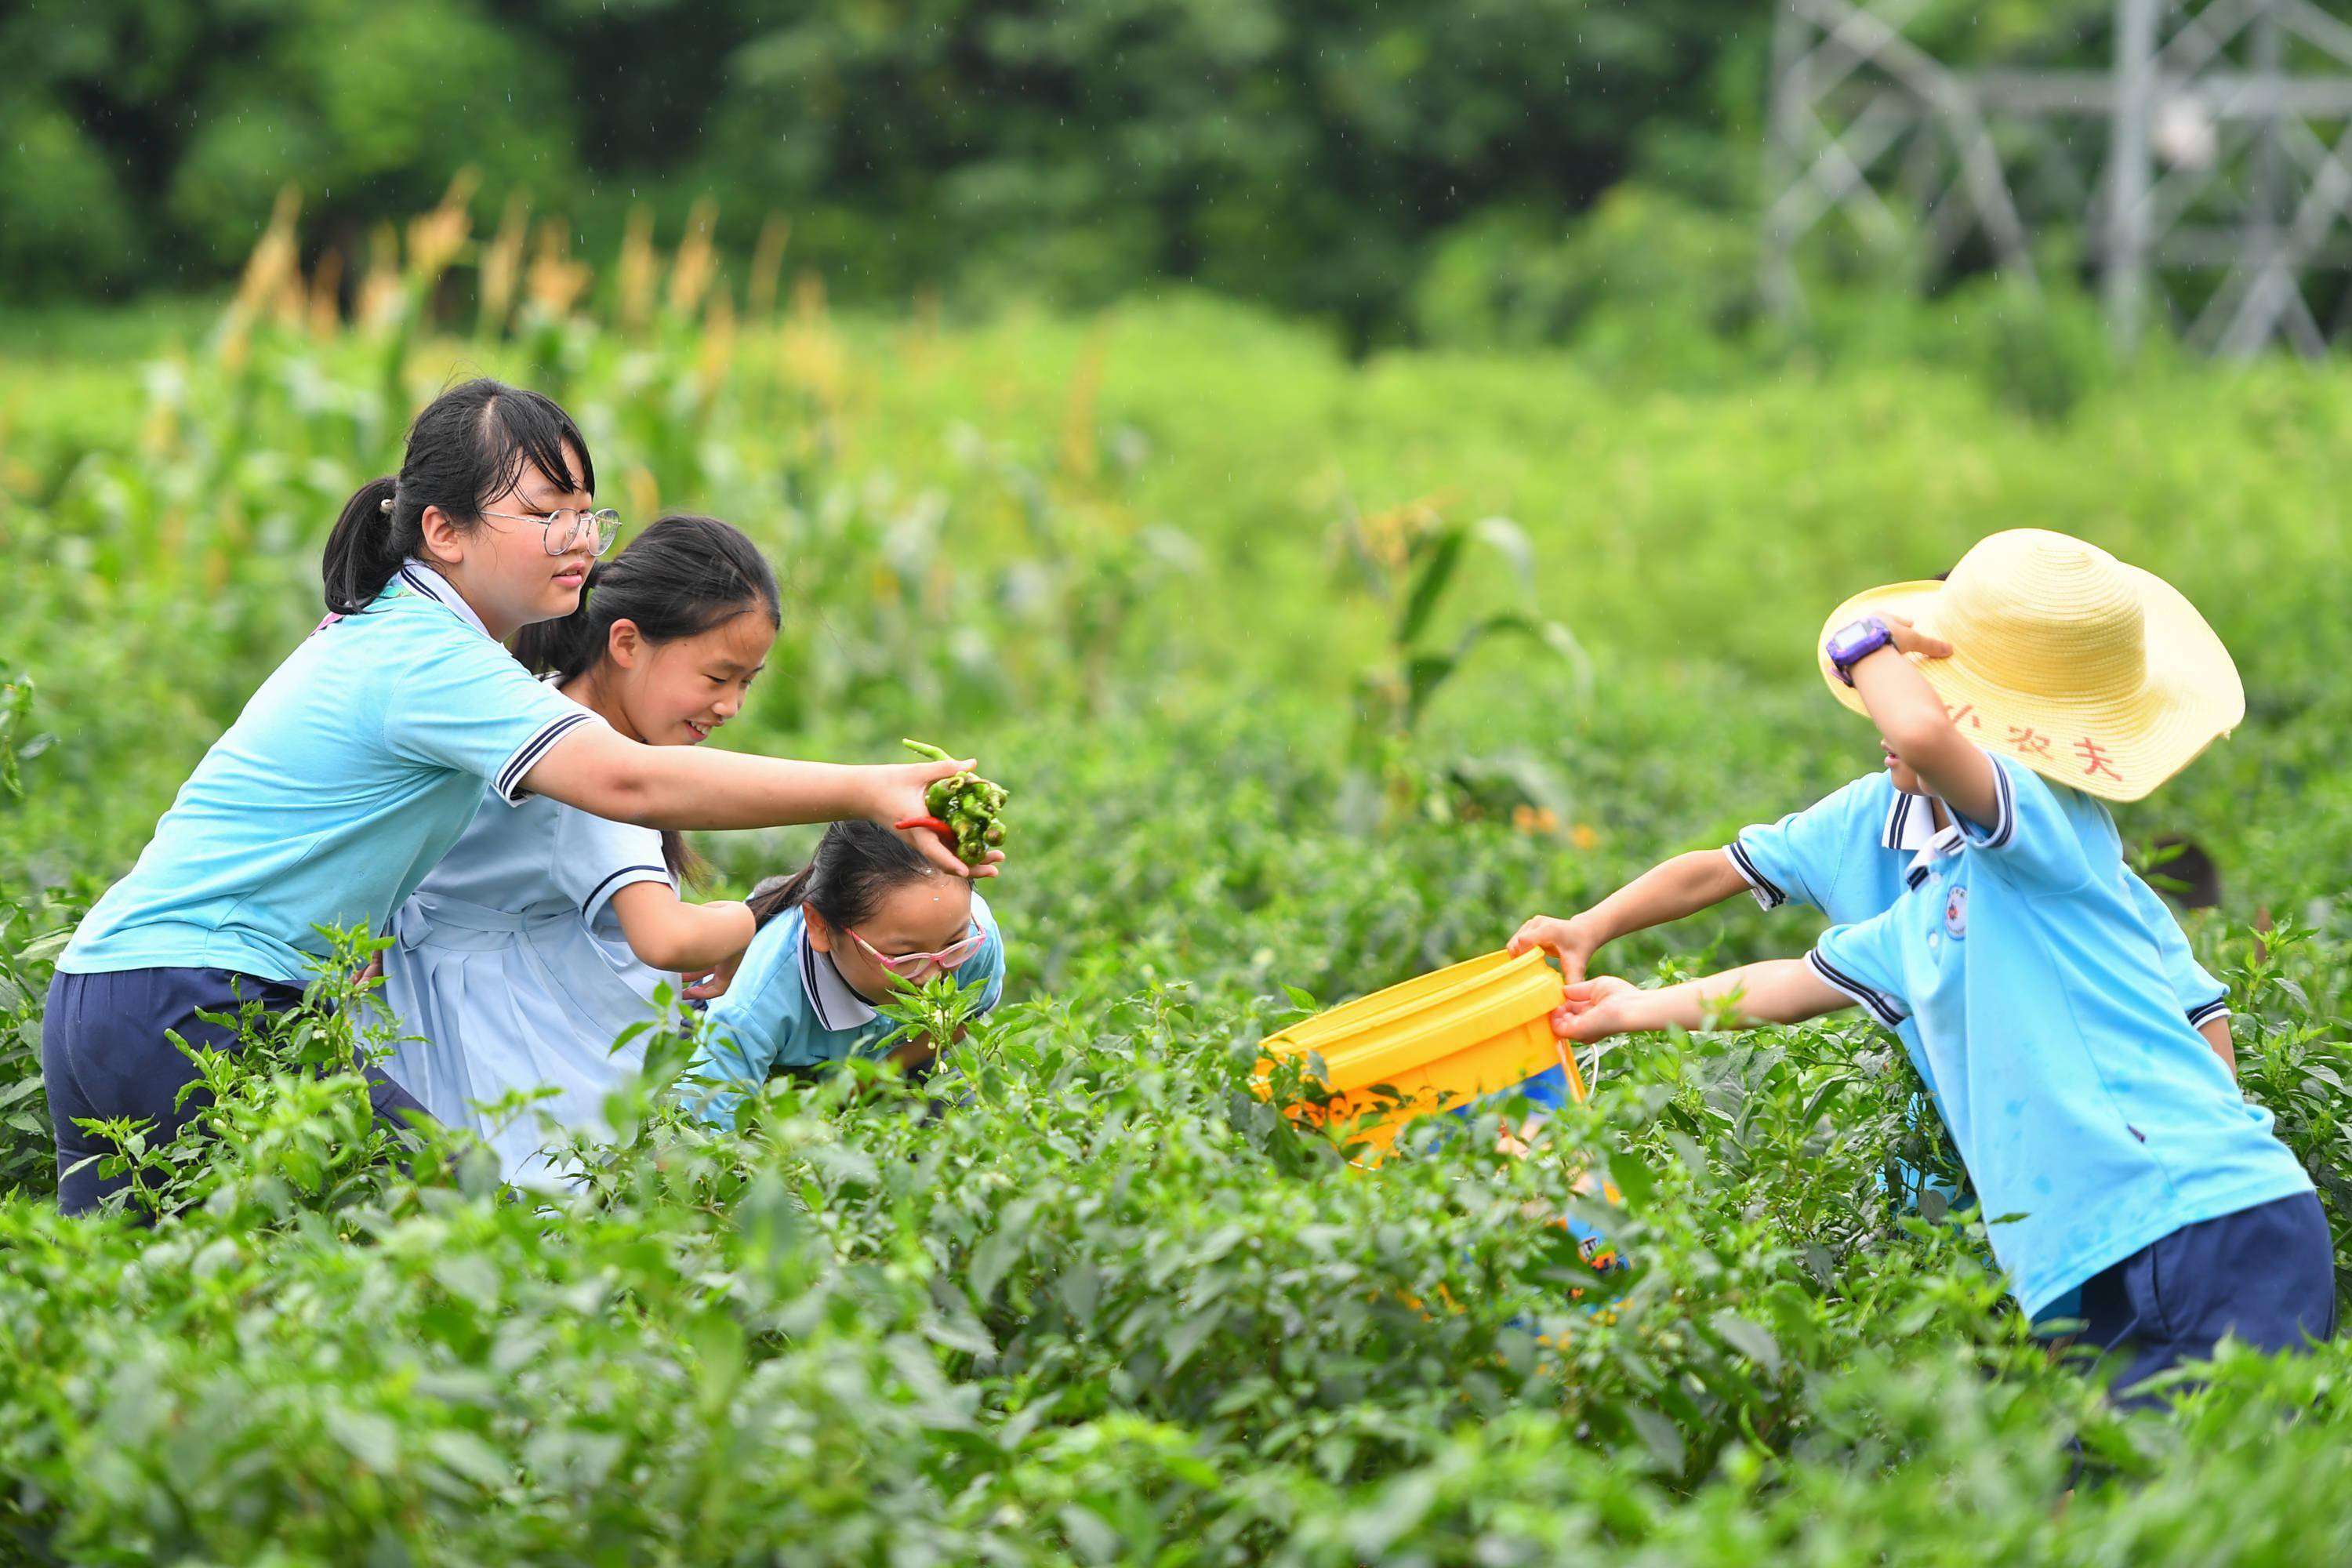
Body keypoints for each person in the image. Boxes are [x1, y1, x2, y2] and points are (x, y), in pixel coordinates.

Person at [43, 379, 992, 1215]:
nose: (577, 540)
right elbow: (627, 775)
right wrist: (872, 786)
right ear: (442, 531)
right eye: (544, 513)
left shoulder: (399, 634)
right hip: (198, 1000)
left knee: (132, 1308)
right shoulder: (426, 655)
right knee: (456, 1236)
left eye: (586, 514)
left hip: (112, 990)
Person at [1555, 530, 2331, 1398]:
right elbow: (1781, 987)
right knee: (2116, 1518)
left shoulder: (2050, 824)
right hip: (2106, 1251)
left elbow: (1920, 729)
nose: (1898, 715)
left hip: (2195, 1223)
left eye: (1938, 689)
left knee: (2188, 1506)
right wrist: (1624, 1008)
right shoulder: (1934, 900)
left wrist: (1868, 643)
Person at [376, 514, 780, 1185]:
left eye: (748, 681)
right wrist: (762, 916)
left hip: (437, 1017)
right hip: (494, 1049)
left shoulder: (543, 705)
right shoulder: (596, 775)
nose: (732, 705)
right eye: (718, 677)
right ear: (626, 642)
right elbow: (668, 938)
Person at [688, 821, 1006, 1126]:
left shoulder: (977, 939)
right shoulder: (754, 1007)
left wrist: (861, 1083)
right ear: (820, 926)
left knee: (954, 1130)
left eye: (953, 944)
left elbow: (965, 1017)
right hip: (775, 1055)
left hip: (902, 1048)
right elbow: (695, 1149)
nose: (934, 976)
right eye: (905, 956)